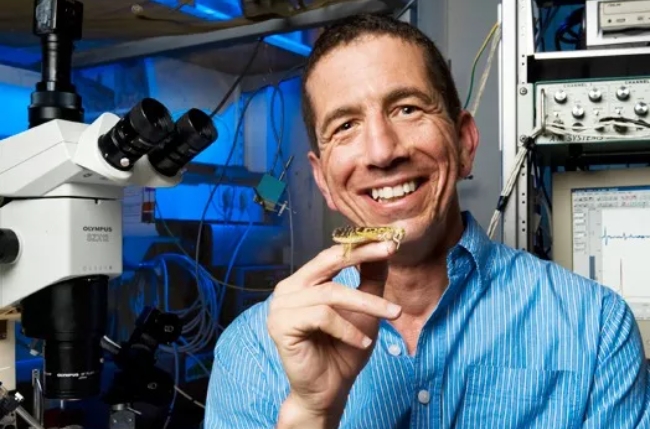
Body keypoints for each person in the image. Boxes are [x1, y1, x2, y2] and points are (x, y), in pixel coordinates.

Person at [205, 13, 650, 428]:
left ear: (464, 143)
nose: (382, 151)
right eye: (345, 126)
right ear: (323, 181)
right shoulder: (253, 352)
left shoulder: (596, 328)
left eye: (407, 109)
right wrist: (311, 412)